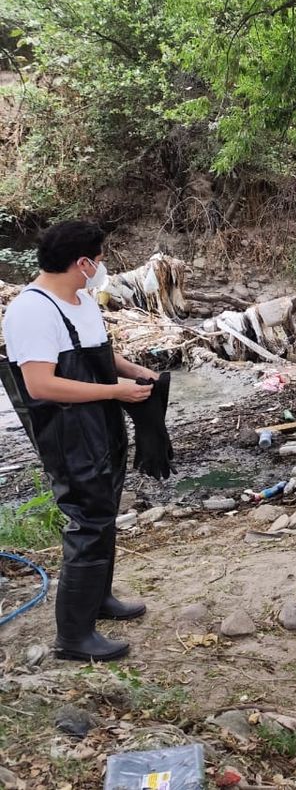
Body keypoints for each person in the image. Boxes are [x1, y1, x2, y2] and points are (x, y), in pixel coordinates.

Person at [0, 220, 158, 661]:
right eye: (100, 257)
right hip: (67, 433)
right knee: (87, 520)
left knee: (104, 510)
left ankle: (99, 599)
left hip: (102, 425)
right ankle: (74, 635)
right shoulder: (31, 312)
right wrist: (114, 391)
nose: (103, 265)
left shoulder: (81, 300)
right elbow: (40, 386)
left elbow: (101, 352)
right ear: (82, 263)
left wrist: (133, 373)